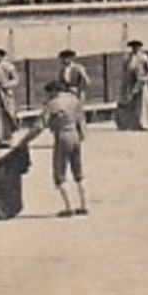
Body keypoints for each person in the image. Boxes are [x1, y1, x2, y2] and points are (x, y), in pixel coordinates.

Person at [12, 80, 89, 217]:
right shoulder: (74, 100)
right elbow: (81, 120)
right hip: (75, 136)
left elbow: (38, 127)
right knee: (78, 172)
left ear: (53, 92)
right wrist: (81, 136)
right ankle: (84, 205)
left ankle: (68, 208)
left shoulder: (52, 104)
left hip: (62, 136)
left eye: (48, 93)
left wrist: (24, 141)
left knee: (59, 173)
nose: (46, 97)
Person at [114, 39, 148, 131]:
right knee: (128, 102)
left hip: (140, 82)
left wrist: (145, 78)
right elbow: (125, 72)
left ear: (139, 48)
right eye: (133, 47)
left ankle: (144, 122)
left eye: (136, 47)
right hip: (130, 83)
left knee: (142, 103)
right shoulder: (127, 58)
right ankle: (130, 123)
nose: (135, 49)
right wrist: (125, 84)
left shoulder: (144, 57)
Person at [0, 47, 19, 147]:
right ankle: (0, 139)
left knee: (8, 115)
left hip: (6, 94)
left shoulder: (8, 67)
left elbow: (16, 80)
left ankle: (8, 139)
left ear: (2, 56)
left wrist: (6, 84)